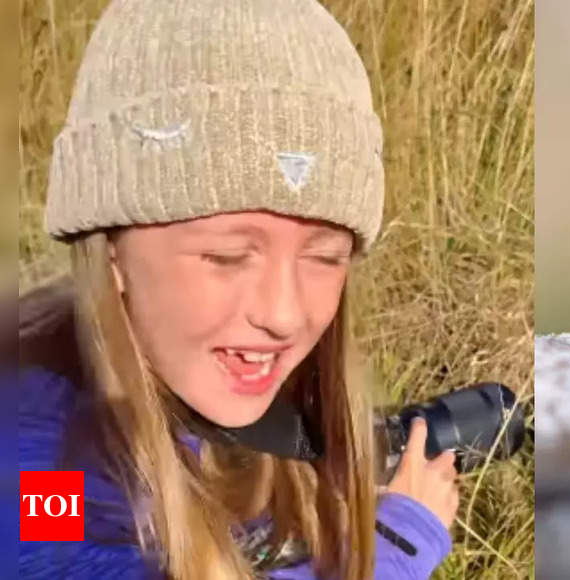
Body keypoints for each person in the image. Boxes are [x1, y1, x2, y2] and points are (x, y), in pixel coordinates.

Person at [17, 0, 459, 577]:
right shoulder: (36, 466)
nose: (282, 312)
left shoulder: (190, 388)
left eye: (326, 257)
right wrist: (395, 544)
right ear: (112, 252)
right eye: (226, 257)